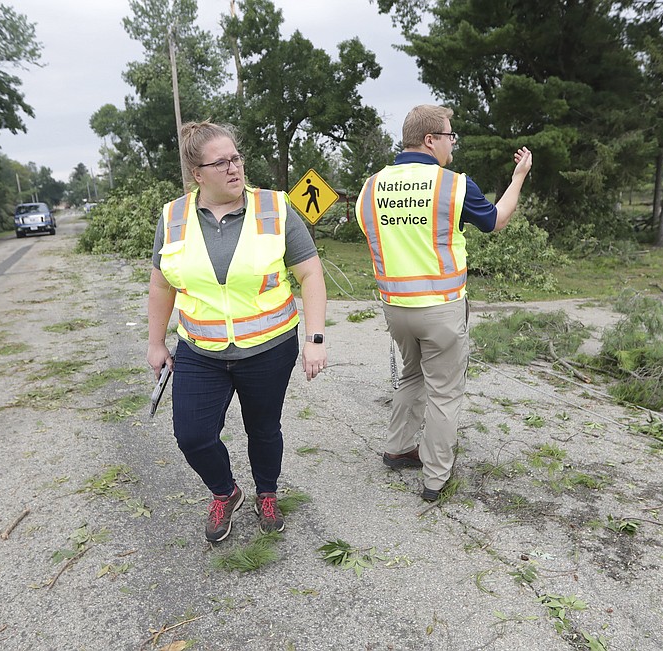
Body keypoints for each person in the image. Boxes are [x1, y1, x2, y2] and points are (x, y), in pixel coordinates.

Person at [147, 121, 327, 542]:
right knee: (191, 435)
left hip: (269, 347)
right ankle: (226, 492)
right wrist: (155, 341)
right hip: (200, 348)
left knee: (263, 429)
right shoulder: (172, 217)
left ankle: (267, 492)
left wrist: (315, 338)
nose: (234, 168)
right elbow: (160, 283)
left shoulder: (275, 207)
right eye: (222, 162)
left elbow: (311, 273)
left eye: (237, 158)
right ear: (198, 173)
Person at [355, 105, 532, 502]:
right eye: (450, 136)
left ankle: (399, 447)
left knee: (413, 374)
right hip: (441, 308)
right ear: (430, 139)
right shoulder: (452, 184)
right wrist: (519, 176)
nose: (453, 144)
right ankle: (436, 478)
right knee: (445, 392)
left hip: (395, 308)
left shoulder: (371, 187)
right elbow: (497, 220)